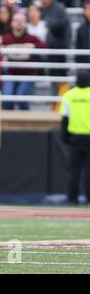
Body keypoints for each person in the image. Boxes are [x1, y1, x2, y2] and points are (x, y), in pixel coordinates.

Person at [1, 12, 46, 110]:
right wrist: (3, 48)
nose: (19, 23)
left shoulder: (32, 38)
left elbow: (43, 47)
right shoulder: (6, 38)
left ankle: (27, 121)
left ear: (25, 24)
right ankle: (10, 120)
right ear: (11, 23)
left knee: (22, 98)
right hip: (11, 73)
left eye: (22, 21)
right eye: (16, 21)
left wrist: (34, 46)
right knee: (6, 98)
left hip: (28, 74)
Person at [60, 70, 90, 205]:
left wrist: (64, 137)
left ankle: (72, 199)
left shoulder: (69, 95)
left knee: (74, 171)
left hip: (75, 137)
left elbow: (65, 118)